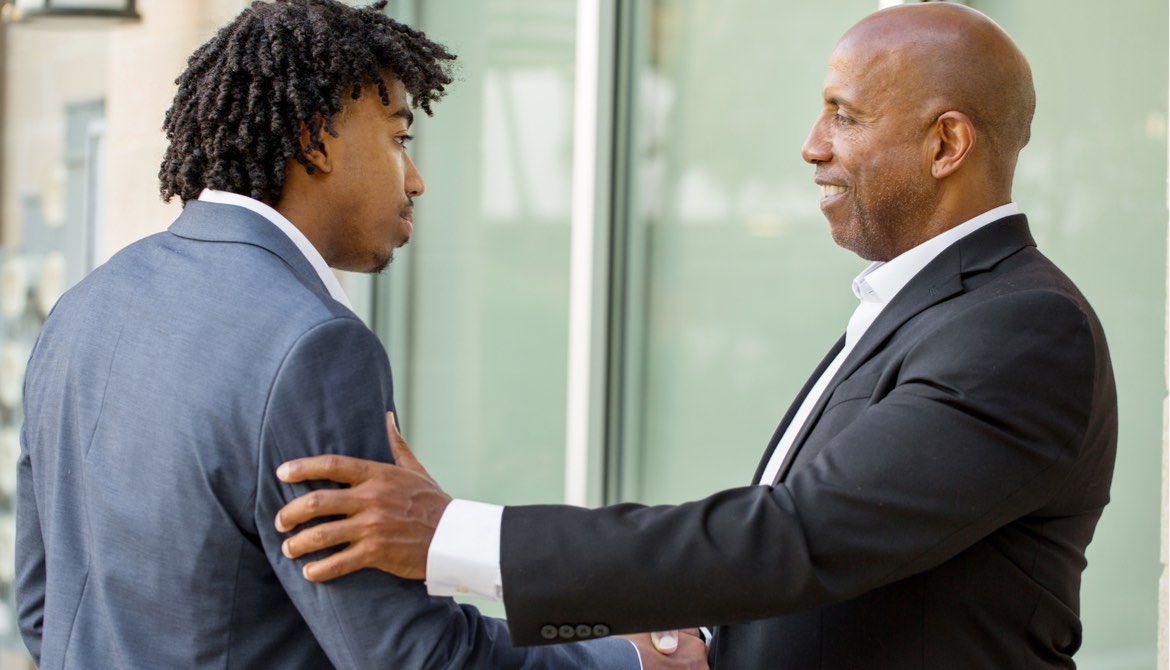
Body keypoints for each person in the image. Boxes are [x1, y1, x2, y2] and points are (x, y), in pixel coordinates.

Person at [272, 3, 1119, 669]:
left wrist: (454, 534)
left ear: (947, 144)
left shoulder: (1020, 328)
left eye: (844, 115)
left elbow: (800, 538)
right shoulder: (937, 309)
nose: (811, 145)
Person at [15, 1, 707, 668]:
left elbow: (44, 612)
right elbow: (409, 657)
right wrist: (625, 660)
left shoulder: (84, 306)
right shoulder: (312, 346)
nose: (417, 179)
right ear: (316, 137)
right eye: (399, 137)